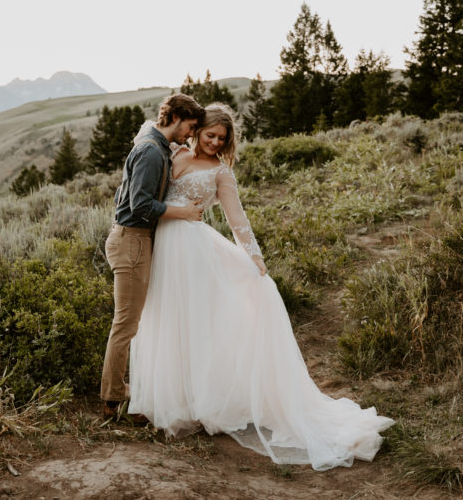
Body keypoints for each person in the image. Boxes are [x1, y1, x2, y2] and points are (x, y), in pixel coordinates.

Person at [128, 103, 394, 471]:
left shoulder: (221, 172)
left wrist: (254, 258)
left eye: (222, 138)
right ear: (196, 130)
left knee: (199, 321)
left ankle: (205, 399)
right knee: (169, 319)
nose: (215, 142)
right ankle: (178, 398)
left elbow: (237, 219)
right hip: (166, 249)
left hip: (193, 249)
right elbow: (146, 139)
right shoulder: (172, 153)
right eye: (209, 135)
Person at [100, 93, 206, 420]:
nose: (191, 134)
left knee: (129, 321)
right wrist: (183, 212)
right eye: (190, 126)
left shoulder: (156, 144)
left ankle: (119, 390)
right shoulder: (150, 151)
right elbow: (140, 205)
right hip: (131, 241)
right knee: (126, 324)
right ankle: (112, 400)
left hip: (135, 241)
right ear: (175, 117)